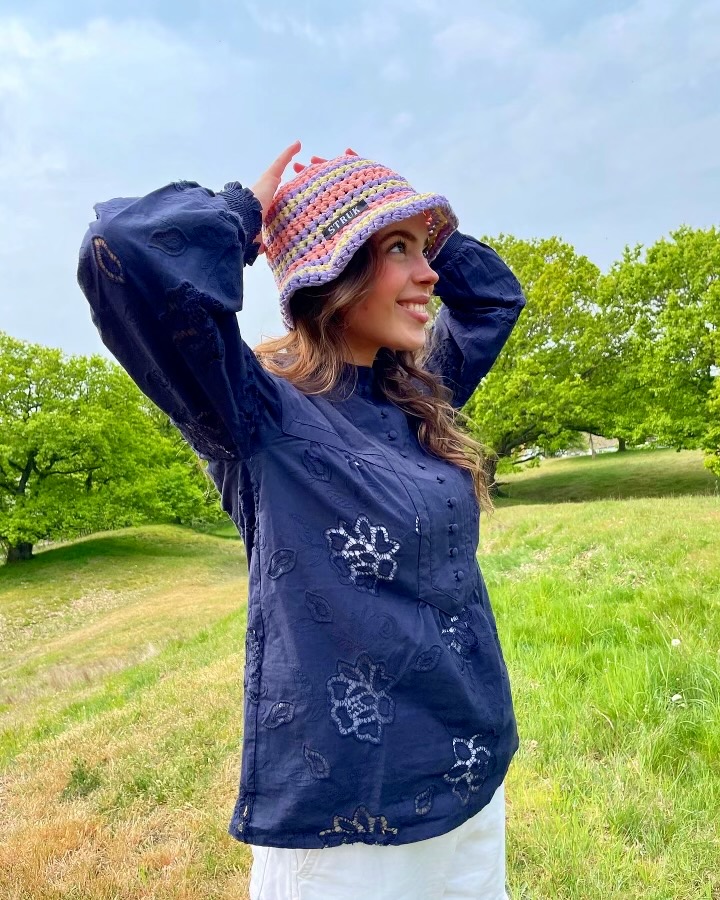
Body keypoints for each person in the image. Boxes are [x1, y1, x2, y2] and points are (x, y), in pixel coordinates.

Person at [77, 142, 526, 900]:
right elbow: (120, 252)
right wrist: (242, 213)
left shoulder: (415, 395)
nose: (429, 276)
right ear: (334, 270)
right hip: (350, 827)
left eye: (424, 251)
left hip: (470, 780)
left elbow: (493, 301)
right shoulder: (259, 416)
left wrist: (421, 224)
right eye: (397, 250)